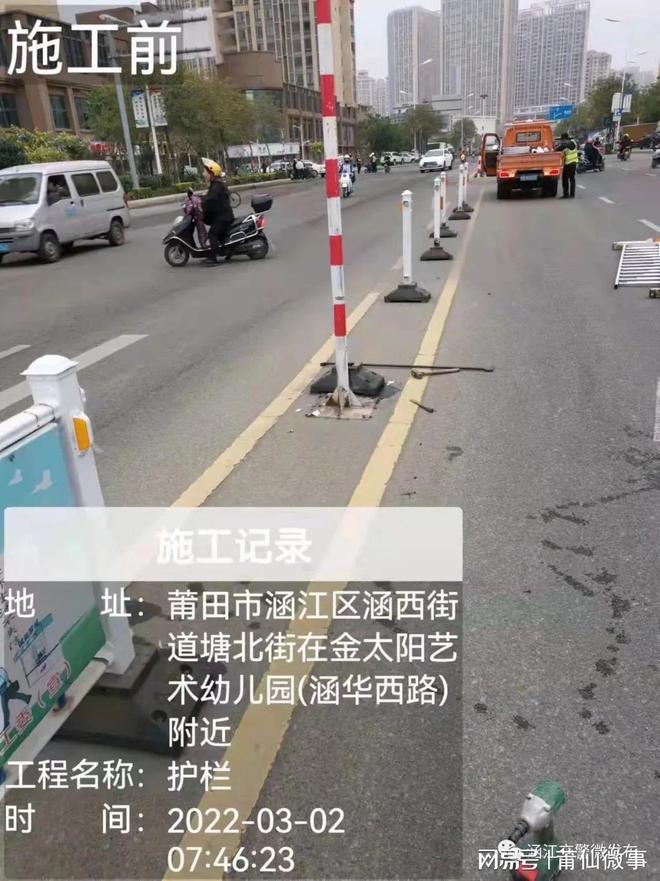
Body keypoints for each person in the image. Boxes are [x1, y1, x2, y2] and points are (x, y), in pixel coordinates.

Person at [201, 157, 234, 265]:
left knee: (212, 234)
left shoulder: (216, 186)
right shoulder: (216, 184)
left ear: (212, 173)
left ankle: (213, 259)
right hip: (223, 215)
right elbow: (208, 197)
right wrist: (200, 199)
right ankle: (224, 250)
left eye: (205, 172)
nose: (203, 174)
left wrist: (202, 205)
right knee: (217, 233)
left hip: (223, 217)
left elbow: (210, 201)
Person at [558, 132, 578, 198]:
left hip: (570, 163)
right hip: (569, 163)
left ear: (565, 139)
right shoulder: (570, 143)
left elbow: (561, 147)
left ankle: (568, 194)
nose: (562, 141)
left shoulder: (570, 143)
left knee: (568, 179)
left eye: (562, 139)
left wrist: (556, 148)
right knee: (568, 179)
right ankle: (569, 194)